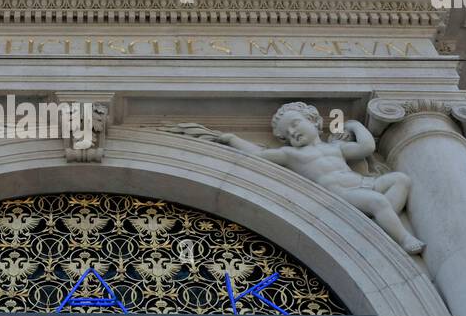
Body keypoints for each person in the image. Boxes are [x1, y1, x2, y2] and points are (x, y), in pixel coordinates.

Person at [167, 102, 425, 254]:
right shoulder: (291, 154)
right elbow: (260, 154)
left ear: (314, 121)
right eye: (286, 133)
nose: (292, 133)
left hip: (364, 184)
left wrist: (355, 125)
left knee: (401, 179)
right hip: (341, 194)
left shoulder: (335, 148)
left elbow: (367, 148)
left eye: (295, 124)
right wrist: (233, 139)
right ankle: (403, 238)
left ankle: (378, 226)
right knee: (378, 203)